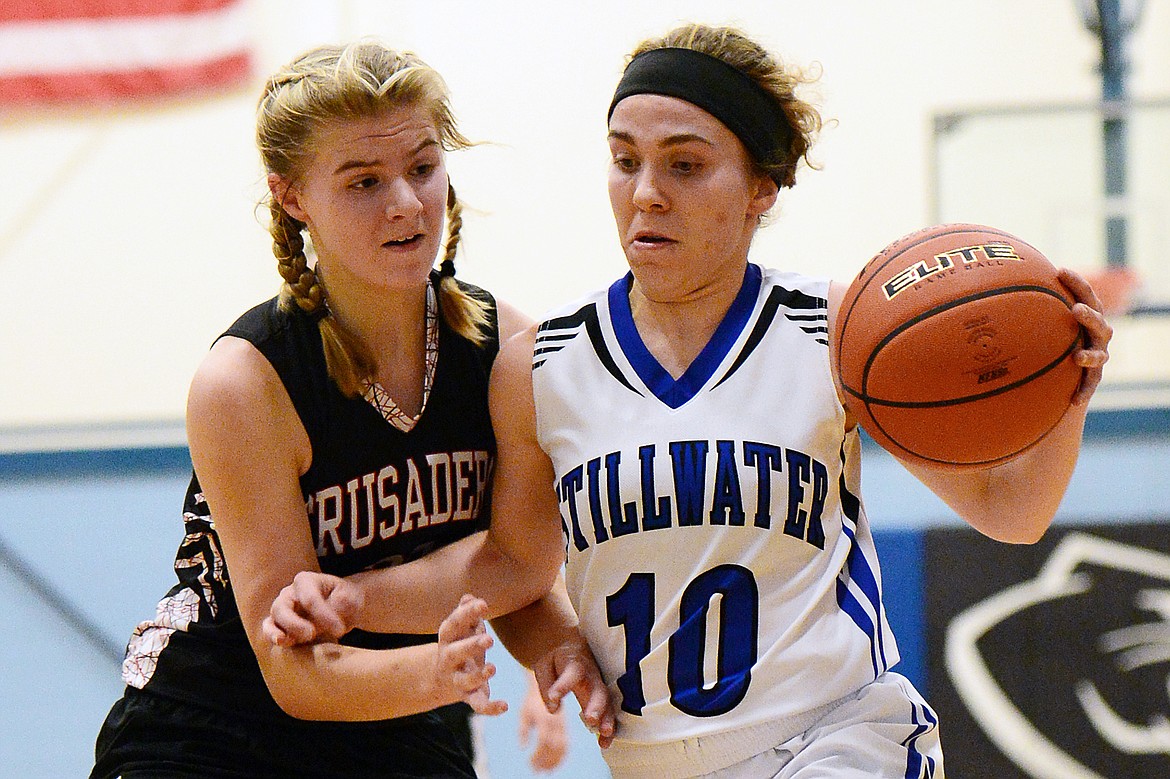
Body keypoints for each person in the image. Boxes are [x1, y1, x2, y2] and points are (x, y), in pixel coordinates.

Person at [265, 22, 1113, 779]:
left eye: (685, 165)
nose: (645, 193)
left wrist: (1069, 389)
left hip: (837, 738)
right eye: (625, 158)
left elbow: (1014, 510)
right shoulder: (541, 365)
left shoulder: (839, 330)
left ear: (761, 188)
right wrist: (355, 595)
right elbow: (514, 566)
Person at [89, 39, 572, 779]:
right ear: (292, 196)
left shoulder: (507, 349)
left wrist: (561, 658)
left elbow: (517, 565)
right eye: (364, 181)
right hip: (213, 721)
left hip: (406, 713)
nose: (407, 203)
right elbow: (294, 673)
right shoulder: (245, 382)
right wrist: (441, 671)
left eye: (422, 166)